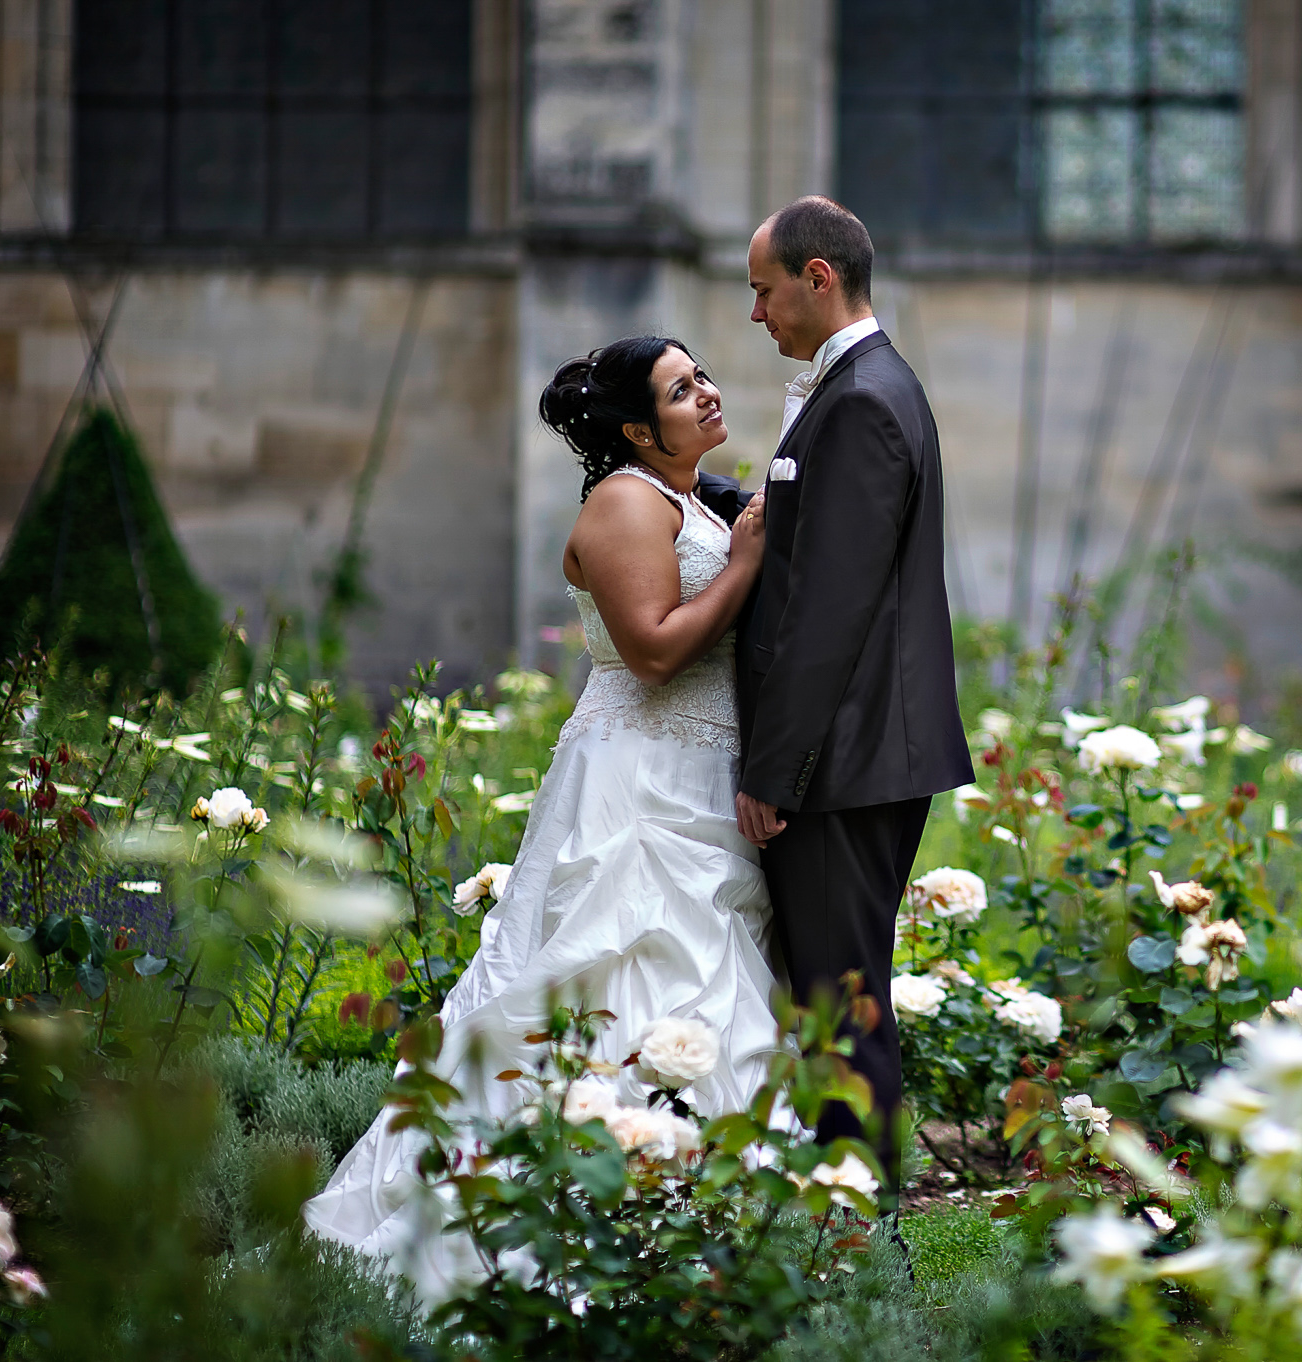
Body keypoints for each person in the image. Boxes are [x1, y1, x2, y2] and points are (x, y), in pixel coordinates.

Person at [303, 336, 778, 1302]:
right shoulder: (624, 502)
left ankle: (692, 1238)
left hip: (700, 776)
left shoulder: (689, 499)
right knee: (608, 985)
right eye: (683, 391)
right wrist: (749, 564)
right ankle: (543, 1238)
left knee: (704, 990)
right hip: (637, 785)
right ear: (639, 431)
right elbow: (650, 651)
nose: (709, 394)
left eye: (703, 377)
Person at [737, 196, 974, 1186]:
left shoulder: (865, 400)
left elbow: (826, 612)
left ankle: (858, 1237)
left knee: (839, 1006)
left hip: (842, 761)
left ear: (816, 277)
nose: (757, 315)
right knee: (839, 999)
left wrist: (773, 770)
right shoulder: (860, 389)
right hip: (853, 754)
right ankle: (850, 1225)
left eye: (763, 290)